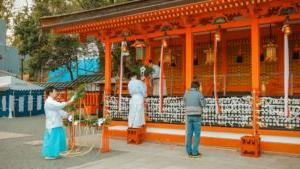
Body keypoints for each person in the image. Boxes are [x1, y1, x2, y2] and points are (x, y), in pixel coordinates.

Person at [42, 86, 75, 160]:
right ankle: (49, 155)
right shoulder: (49, 101)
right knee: (53, 140)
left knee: (58, 139)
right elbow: (60, 105)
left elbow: (59, 111)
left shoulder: (52, 101)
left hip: (56, 123)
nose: (56, 93)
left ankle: (56, 153)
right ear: (50, 93)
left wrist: (67, 114)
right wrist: (70, 101)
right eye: (55, 91)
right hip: (52, 124)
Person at [183, 81, 206, 158]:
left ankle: (189, 151)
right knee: (197, 135)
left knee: (189, 134)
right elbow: (203, 104)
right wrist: (201, 93)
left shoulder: (186, 93)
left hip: (188, 115)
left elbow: (184, 104)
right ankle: (195, 152)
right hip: (197, 116)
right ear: (198, 87)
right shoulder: (199, 94)